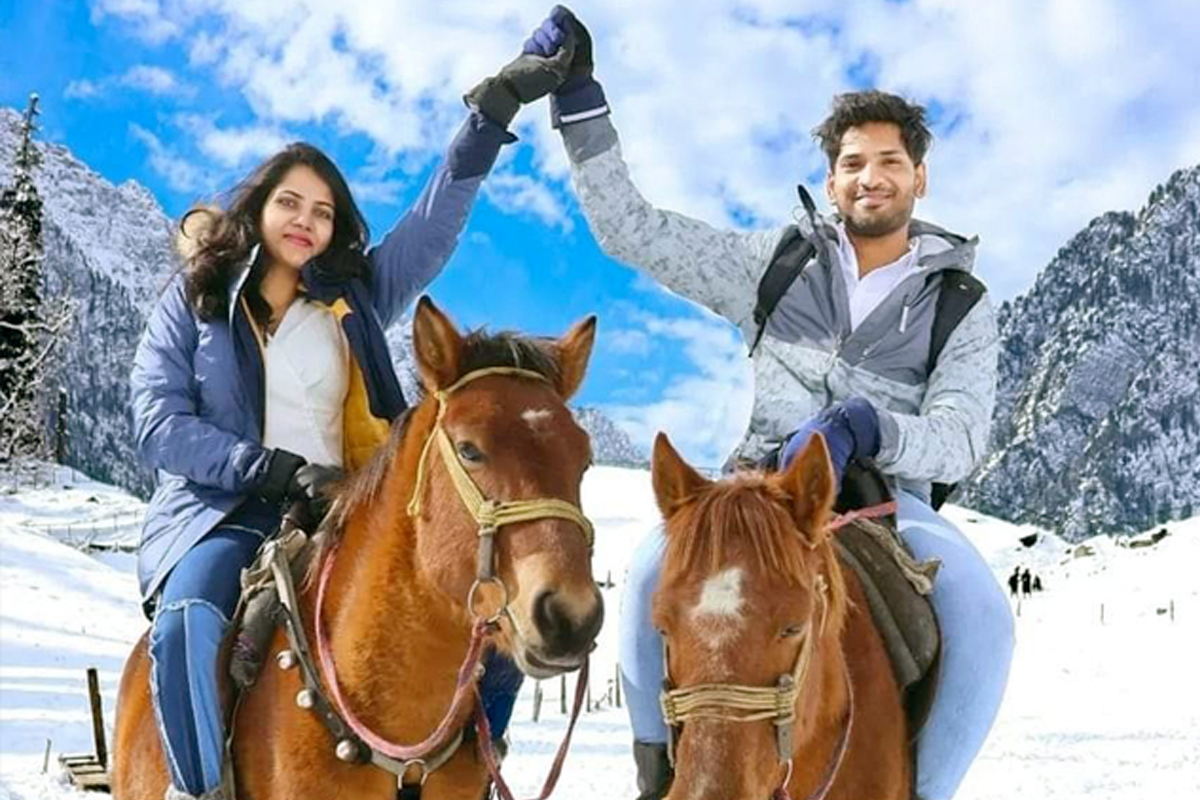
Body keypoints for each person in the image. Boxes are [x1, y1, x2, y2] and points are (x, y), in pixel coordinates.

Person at [522, 8, 1015, 799]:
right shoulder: (776, 266)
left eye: (890, 162)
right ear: (833, 180)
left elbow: (959, 437)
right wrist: (581, 104)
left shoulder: (959, 301)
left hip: (889, 504)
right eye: (853, 163)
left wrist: (871, 427)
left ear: (919, 178)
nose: (871, 177)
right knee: (649, 573)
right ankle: (656, 772)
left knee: (984, 616)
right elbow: (635, 232)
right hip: (754, 490)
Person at [129, 27, 580, 800]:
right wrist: (262, 467)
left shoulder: (355, 299)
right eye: (289, 203)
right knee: (190, 618)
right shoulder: (195, 302)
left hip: (349, 505)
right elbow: (157, 422)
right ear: (258, 209)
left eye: (324, 211)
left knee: (492, 611)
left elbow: (431, 230)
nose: (305, 220)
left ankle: (478, 764)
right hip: (225, 512)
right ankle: (197, 788)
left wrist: (491, 116)